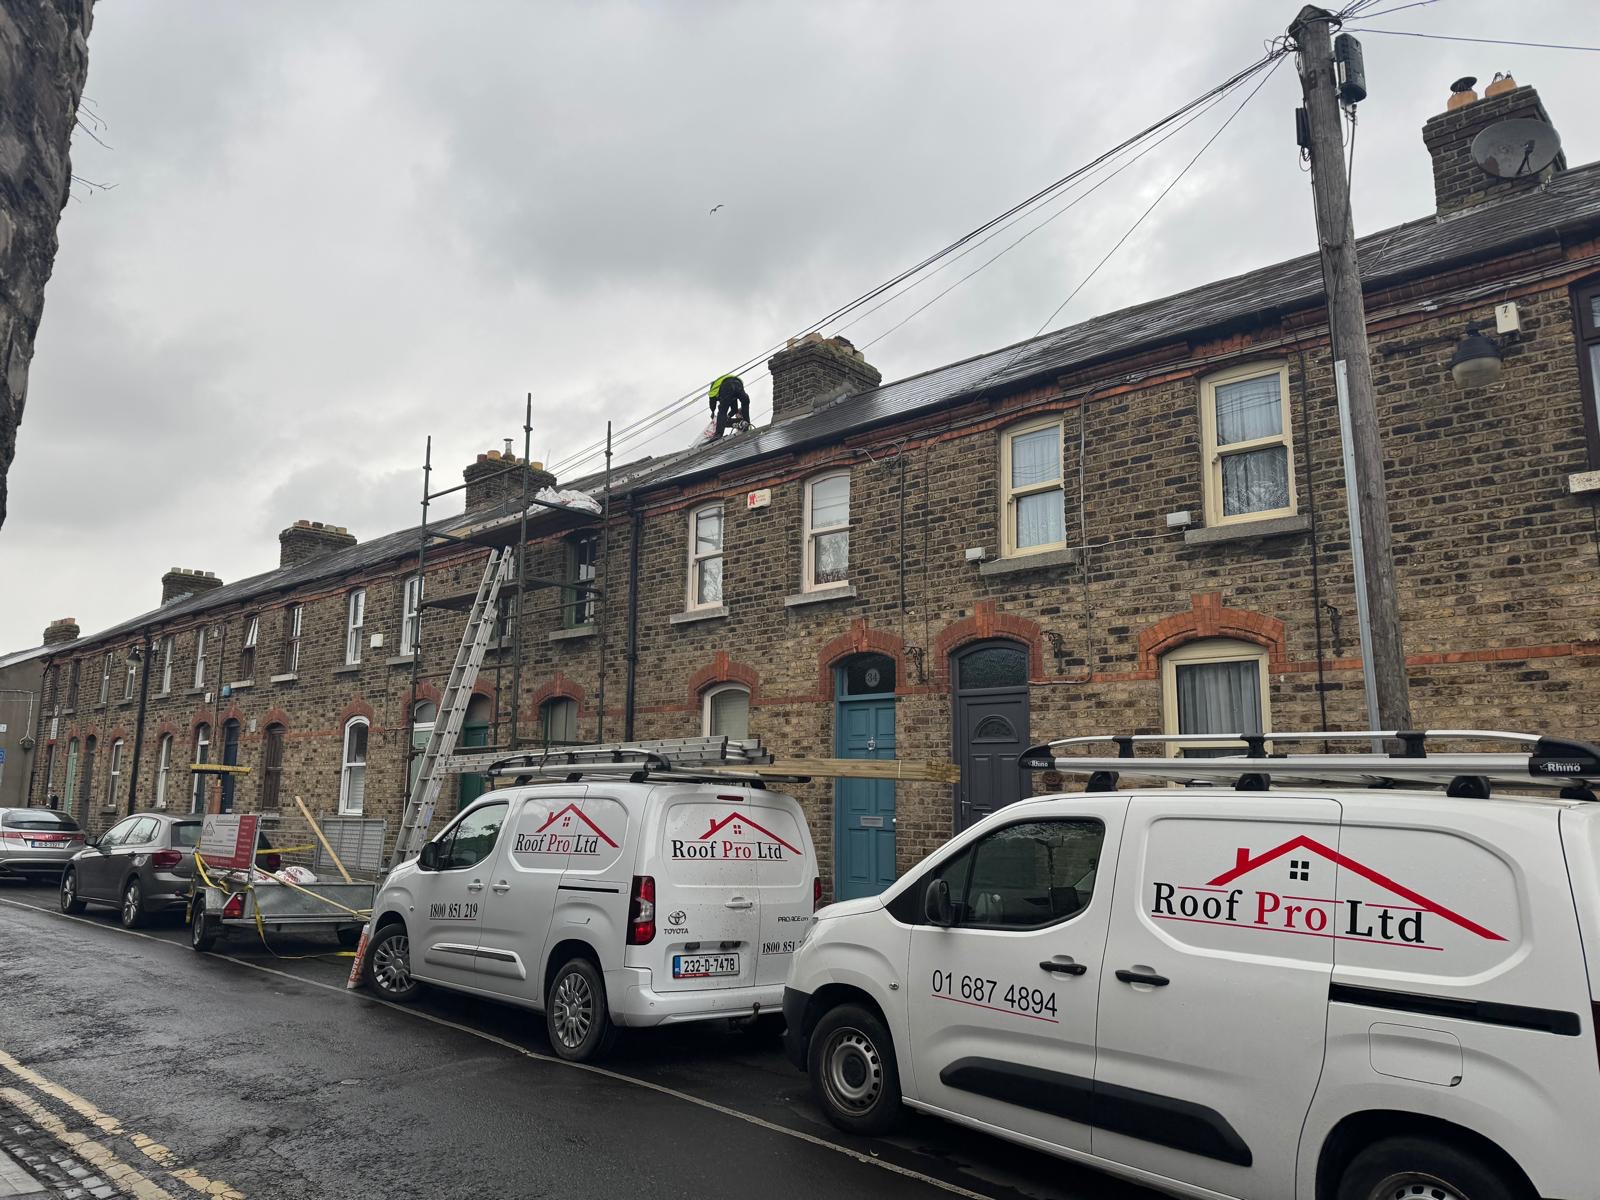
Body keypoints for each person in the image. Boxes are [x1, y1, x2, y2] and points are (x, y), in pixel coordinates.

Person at [708, 373, 751, 438]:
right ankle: (746, 424)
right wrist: (728, 416)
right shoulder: (731, 396)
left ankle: (718, 434)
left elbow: (712, 403)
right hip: (738, 383)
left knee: (722, 411)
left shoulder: (713, 389)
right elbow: (734, 409)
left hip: (727, 385)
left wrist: (713, 412)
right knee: (745, 401)